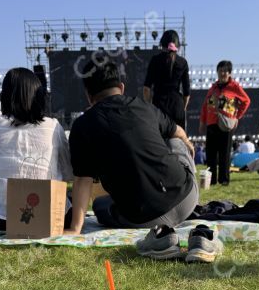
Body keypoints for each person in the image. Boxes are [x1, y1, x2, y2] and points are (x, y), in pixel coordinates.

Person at [66, 60, 198, 233]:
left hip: (145, 218)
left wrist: (75, 228)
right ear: (121, 87)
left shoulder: (83, 125)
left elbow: (83, 181)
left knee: (99, 205)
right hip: (187, 199)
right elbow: (178, 132)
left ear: (89, 96)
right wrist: (188, 144)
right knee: (176, 141)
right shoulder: (145, 107)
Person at [0, 67, 73, 232]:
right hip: (55, 218)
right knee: (69, 198)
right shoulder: (53, 126)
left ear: (5, 96)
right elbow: (67, 170)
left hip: (5, 220)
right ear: (39, 95)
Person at [199, 61, 251, 186]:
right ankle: (211, 180)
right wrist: (202, 122)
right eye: (220, 70)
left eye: (225, 71)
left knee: (224, 153)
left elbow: (246, 101)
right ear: (217, 72)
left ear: (229, 73)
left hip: (226, 124)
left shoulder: (234, 87)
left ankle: (224, 180)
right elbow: (205, 106)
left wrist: (237, 117)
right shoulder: (213, 88)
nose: (222, 73)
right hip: (212, 123)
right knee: (211, 153)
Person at [143, 30, 190, 128]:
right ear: (178, 44)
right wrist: (183, 108)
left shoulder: (155, 60)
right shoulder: (183, 62)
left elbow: (146, 88)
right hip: (177, 106)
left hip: (159, 107)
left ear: (162, 43)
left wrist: (149, 107)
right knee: (179, 140)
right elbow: (187, 93)